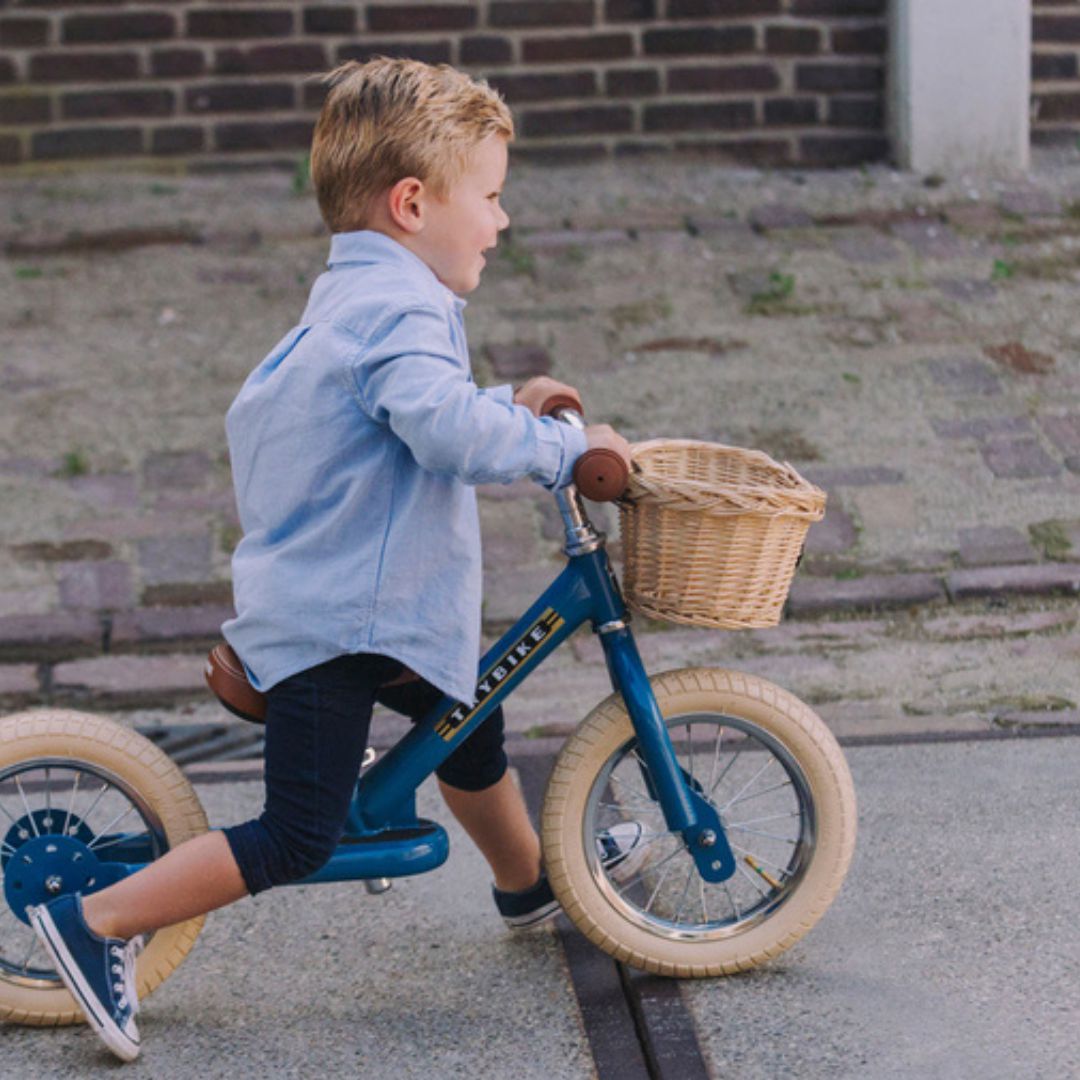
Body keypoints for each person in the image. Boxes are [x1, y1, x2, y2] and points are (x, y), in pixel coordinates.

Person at [27, 57, 639, 1063]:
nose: (502, 219)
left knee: (468, 727)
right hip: (340, 623)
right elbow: (440, 433)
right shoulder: (396, 310)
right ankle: (94, 926)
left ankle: (531, 881)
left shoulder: (370, 295)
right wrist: (566, 451)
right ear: (412, 203)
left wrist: (508, 409)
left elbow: (419, 413)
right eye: (489, 197)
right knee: (298, 835)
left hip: (360, 602)